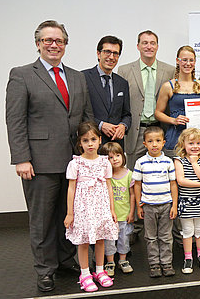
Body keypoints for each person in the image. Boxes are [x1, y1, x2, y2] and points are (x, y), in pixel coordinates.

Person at [5, 20, 93, 292]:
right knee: (42, 220)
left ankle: (66, 260)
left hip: (73, 163)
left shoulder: (77, 77)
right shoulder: (22, 75)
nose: (54, 45)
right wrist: (21, 158)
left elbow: (85, 118)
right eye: (48, 40)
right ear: (38, 44)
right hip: (39, 162)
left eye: (59, 41)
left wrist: (91, 158)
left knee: (69, 215)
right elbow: (15, 120)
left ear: (66, 45)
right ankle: (45, 270)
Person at [64, 122, 119, 292]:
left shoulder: (105, 163)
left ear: (100, 140)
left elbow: (109, 186)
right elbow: (71, 188)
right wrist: (70, 213)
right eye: (85, 140)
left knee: (101, 239)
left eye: (93, 139)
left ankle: (100, 271)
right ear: (80, 143)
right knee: (84, 241)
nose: (90, 144)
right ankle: (85, 273)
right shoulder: (76, 163)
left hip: (101, 206)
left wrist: (111, 210)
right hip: (83, 208)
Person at [117, 30, 175, 171]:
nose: (149, 47)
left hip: (160, 130)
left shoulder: (170, 70)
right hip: (135, 132)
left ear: (157, 46)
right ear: (138, 46)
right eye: (145, 43)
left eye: (152, 43)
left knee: (160, 175)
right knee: (133, 176)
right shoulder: (124, 70)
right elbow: (121, 104)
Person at [133, 126, 178, 278]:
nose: (154, 144)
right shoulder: (141, 162)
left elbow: (173, 184)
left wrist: (174, 204)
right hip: (149, 205)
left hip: (166, 204)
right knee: (151, 237)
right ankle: (154, 264)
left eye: (158, 141)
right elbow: (137, 184)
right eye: (150, 141)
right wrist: (140, 205)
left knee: (165, 236)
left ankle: (166, 263)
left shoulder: (168, 162)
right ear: (144, 144)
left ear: (164, 142)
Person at [155, 46, 200, 158]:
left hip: (197, 140)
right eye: (184, 60)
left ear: (195, 62)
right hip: (175, 138)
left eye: (191, 60)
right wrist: (173, 120)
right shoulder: (168, 86)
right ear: (177, 60)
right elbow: (158, 113)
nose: (188, 63)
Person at [174, 128, 200, 274]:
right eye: (191, 143)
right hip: (185, 203)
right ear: (183, 144)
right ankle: (188, 258)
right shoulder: (179, 160)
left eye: (198, 143)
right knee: (187, 231)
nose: (195, 146)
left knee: (199, 230)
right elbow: (181, 180)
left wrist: (195, 163)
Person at [83, 36, 131, 150]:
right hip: (91, 145)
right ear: (98, 54)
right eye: (107, 52)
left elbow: (127, 114)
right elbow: (79, 113)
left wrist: (123, 126)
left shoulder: (122, 83)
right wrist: (100, 125)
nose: (111, 57)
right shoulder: (82, 78)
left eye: (115, 53)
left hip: (115, 147)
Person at [100, 142, 135, 276]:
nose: (114, 159)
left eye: (117, 155)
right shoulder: (105, 176)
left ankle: (123, 260)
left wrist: (132, 212)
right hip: (109, 216)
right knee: (109, 240)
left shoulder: (128, 174)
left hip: (124, 215)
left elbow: (132, 195)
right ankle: (110, 262)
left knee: (124, 239)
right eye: (110, 157)